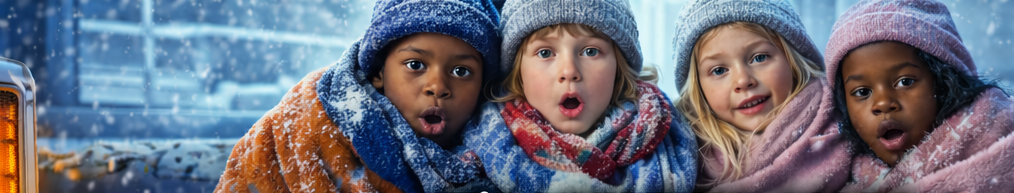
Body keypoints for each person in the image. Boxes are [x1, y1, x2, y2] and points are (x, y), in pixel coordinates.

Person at [214, 0, 501, 192]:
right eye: (415, 65)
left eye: (462, 71)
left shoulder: (506, 155)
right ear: (378, 73)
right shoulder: (309, 123)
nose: (437, 86)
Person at [824, 0, 1014, 192]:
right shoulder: (844, 175)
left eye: (905, 81)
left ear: (945, 82)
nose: (882, 103)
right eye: (862, 92)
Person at [461, 0, 697, 191]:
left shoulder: (673, 141)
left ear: (619, 67)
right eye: (545, 52)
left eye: (591, 51)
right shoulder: (479, 153)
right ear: (518, 72)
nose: (569, 71)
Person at [670, 0, 853, 192]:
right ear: (698, 88)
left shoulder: (851, 125)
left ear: (793, 60)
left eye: (759, 57)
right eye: (719, 70)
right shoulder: (683, 165)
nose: (743, 81)